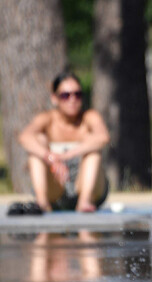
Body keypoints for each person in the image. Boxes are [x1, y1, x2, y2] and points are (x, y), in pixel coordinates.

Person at [18, 72, 109, 213]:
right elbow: (24, 137)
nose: (72, 99)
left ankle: (84, 202)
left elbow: (103, 137)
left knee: (93, 146)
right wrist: (50, 156)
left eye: (77, 94)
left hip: (90, 191)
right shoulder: (47, 119)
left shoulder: (89, 117)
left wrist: (66, 155)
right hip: (56, 191)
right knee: (38, 142)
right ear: (54, 98)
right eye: (65, 95)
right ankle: (42, 202)